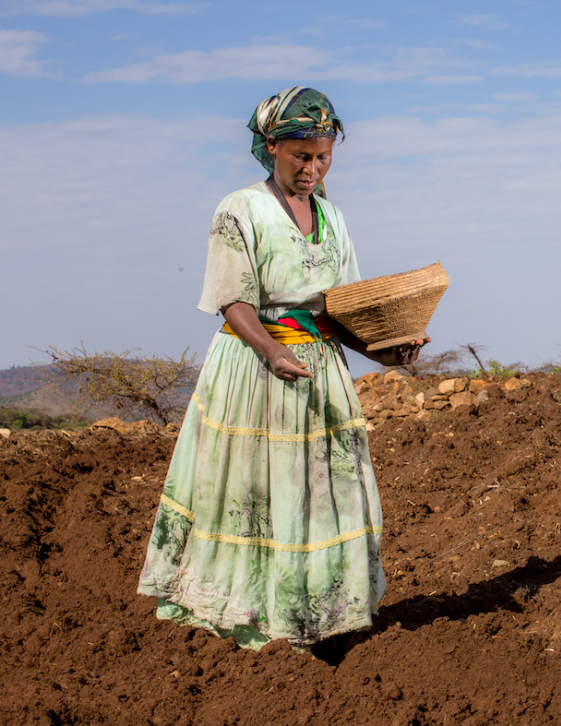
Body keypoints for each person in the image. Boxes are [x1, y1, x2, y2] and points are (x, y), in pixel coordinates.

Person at [137, 86, 424, 651]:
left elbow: (339, 310)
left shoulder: (334, 219)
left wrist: (390, 353)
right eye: (301, 157)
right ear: (271, 146)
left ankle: (316, 615)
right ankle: (250, 620)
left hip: (319, 370)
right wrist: (271, 350)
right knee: (257, 491)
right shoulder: (240, 210)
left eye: (323, 157)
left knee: (324, 490)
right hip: (255, 368)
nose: (312, 169)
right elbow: (232, 299)